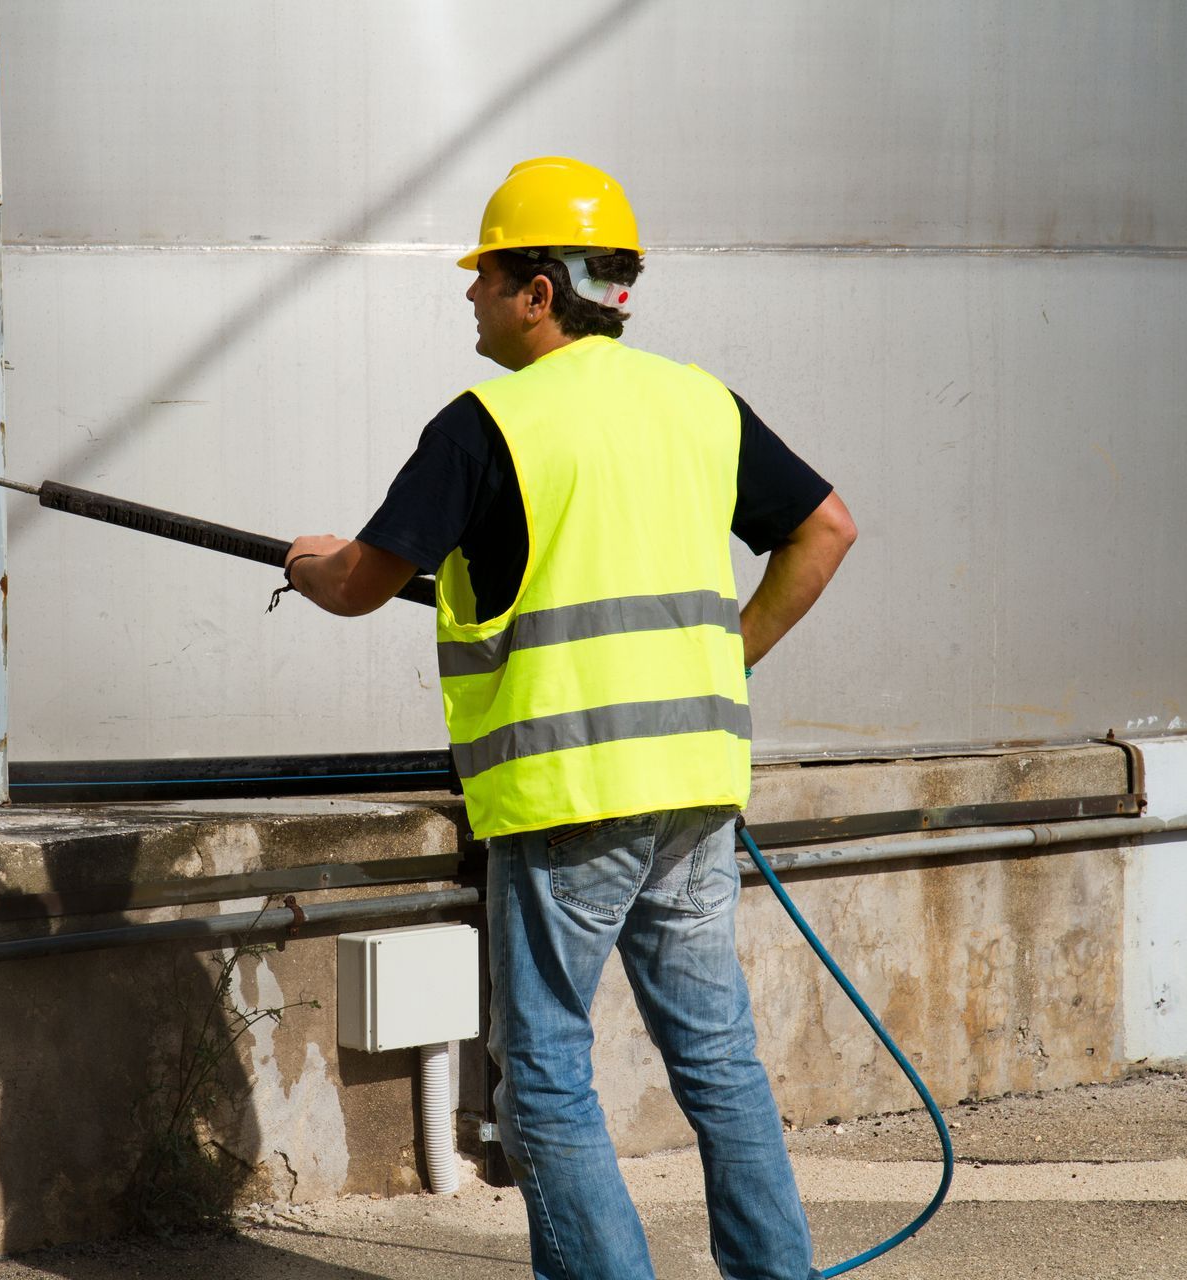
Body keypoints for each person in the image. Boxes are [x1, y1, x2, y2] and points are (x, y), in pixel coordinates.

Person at [281, 157, 857, 1280]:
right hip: (695, 783)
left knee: (545, 1069)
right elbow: (825, 526)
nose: (470, 296)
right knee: (721, 1060)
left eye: (485, 276)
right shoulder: (699, 401)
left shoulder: (487, 423)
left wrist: (309, 566)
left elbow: (360, 582)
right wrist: (727, 658)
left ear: (540, 290)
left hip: (567, 792)